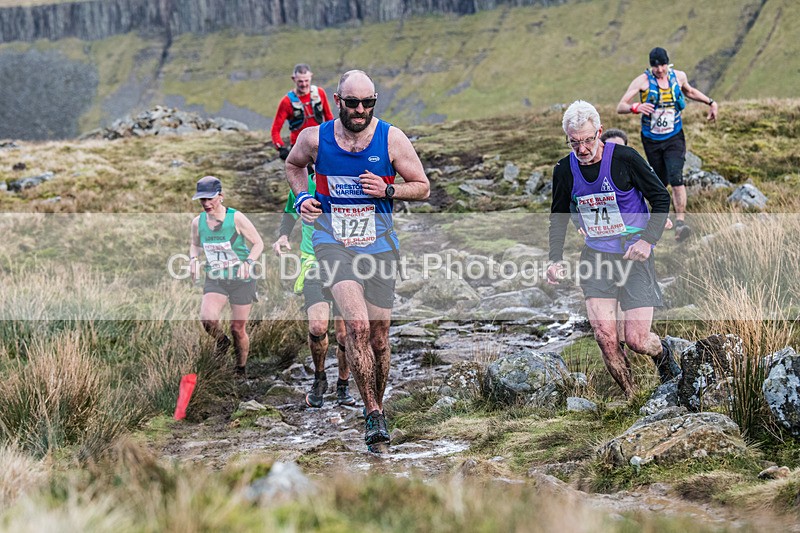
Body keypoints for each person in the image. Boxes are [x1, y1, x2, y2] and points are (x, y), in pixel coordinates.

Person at [285, 69, 430, 451]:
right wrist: (302, 198)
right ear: (338, 102)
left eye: (368, 103)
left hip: (379, 247)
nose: (360, 110)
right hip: (333, 243)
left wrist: (388, 188)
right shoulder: (314, 139)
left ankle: (376, 404)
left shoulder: (391, 138)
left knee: (380, 340)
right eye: (352, 103)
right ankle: (373, 414)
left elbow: (423, 186)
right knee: (358, 327)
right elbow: (292, 165)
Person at [547, 101, 680, 399]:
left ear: (599, 132)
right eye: (574, 142)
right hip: (596, 257)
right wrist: (554, 259)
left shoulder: (625, 158)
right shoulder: (564, 169)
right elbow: (558, 216)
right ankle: (633, 398)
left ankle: (663, 355)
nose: (582, 148)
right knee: (606, 337)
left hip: (633, 256)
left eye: (588, 140)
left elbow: (660, 198)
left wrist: (648, 241)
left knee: (636, 339)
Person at [616, 47, 718, 242]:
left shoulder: (678, 76)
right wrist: (635, 107)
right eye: (655, 66)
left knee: (676, 176)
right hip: (652, 140)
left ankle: (680, 223)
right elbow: (620, 106)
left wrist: (710, 102)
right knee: (659, 182)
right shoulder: (642, 81)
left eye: (662, 65)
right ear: (651, 66)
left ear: (667, 63)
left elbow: (690, 91)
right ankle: (658, 223)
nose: (660, 70)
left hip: (674, 137)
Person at [272, 172, 355, 408]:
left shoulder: (348, 179)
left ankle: (343, 383)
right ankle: (320, 380)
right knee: (317, 326)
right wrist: (283, 237)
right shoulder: (303, 183)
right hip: (313, 261)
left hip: (346, 263)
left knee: (343, 334)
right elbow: (290, 212)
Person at [189, 176, 264, 377]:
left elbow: (258, 243)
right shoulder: (198, 222)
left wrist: (248, 263)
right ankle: (222, 342)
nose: (205, 204)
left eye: (209, 198)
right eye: (201, 200)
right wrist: (193, 260)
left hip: (242, 280)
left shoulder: (236, 218)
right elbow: (195, 244)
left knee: (237, 328)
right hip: (216, 278)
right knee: (208, 319)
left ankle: (241, 370)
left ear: (221, 196)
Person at [271, 63, 334, 161]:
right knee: (304, 176)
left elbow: (329, 118)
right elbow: (275, 130)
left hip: (320, 144)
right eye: (300, 81)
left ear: (311, 77)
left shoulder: (320, 93)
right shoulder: (286, 102)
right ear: (293, 79)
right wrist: (281, 148)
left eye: (306, 80)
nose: (304, 84)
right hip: (298, 148)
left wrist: (332, 139)